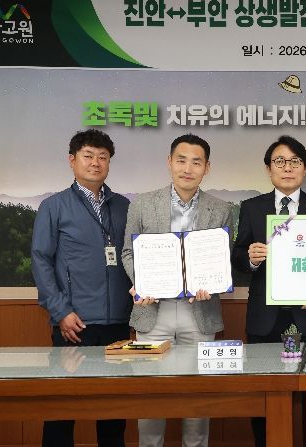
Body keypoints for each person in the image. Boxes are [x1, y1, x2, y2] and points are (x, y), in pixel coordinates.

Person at [122, 133, 233, 447]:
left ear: (206, 168)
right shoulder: (142, 204)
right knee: (150, 398)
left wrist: (212, 283)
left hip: (199, 312)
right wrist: (142, 283)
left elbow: (221, 256)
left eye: (196, 162)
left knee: (198, 398)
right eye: (181, 160)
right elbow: (128, 252)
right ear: (169, 162)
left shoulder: (221, 208)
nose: (188, 168)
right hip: (151, 312)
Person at [232, 135, 306, 446]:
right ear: (268, 168)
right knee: (264, 391)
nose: (287, 168)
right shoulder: (252, 207)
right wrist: (250, 258)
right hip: (265, 316)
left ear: (304, 168)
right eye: (280, 161)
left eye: (294, 162)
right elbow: (238, 255)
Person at [32, 129, 132, 447]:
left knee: (113, 415)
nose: (96, 163)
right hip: (74, 325)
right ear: (72, 160)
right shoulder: (54, 206)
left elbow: (134, 257)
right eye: (88, 156)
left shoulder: (123, 206)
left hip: (118, 324)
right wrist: (61, 311)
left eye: (103, 157)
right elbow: (41, 261)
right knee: (62, 411)